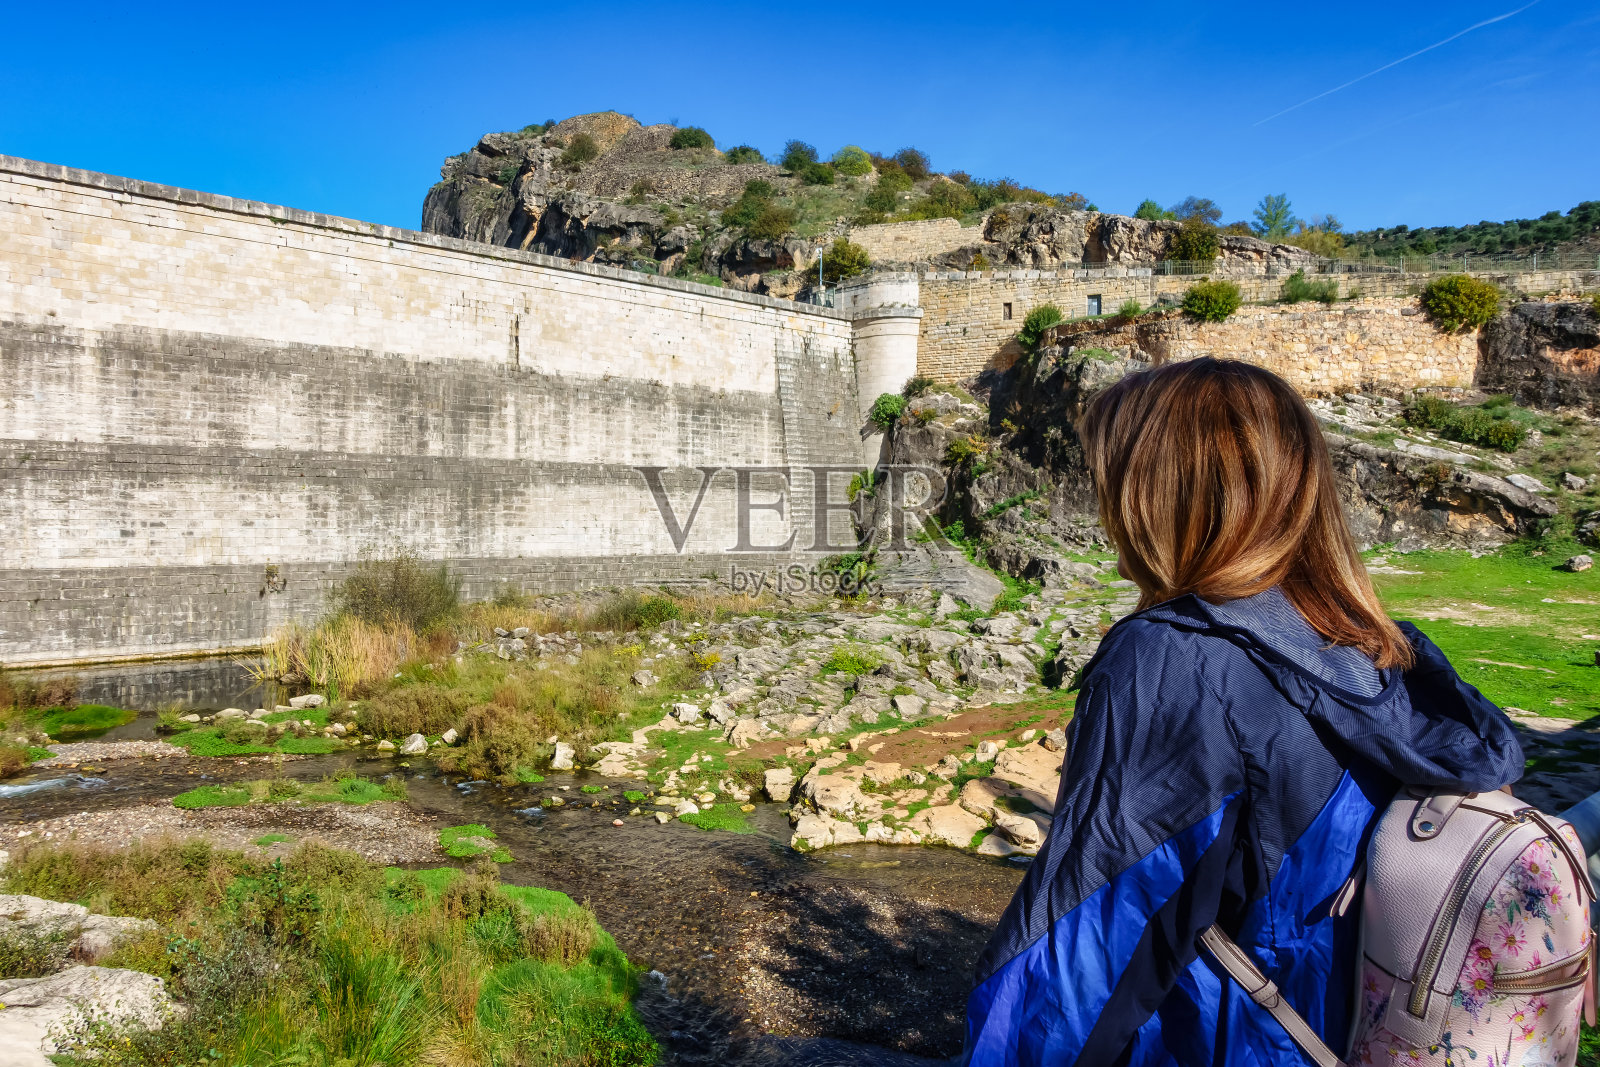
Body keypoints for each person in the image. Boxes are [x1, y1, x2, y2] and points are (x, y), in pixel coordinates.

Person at [963, 358, 1524, 1066]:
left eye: (1114, 483)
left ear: (1163, 497)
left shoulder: (1174, 661)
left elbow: (1081, 953)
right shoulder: (1375, 648)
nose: (1108, 513)